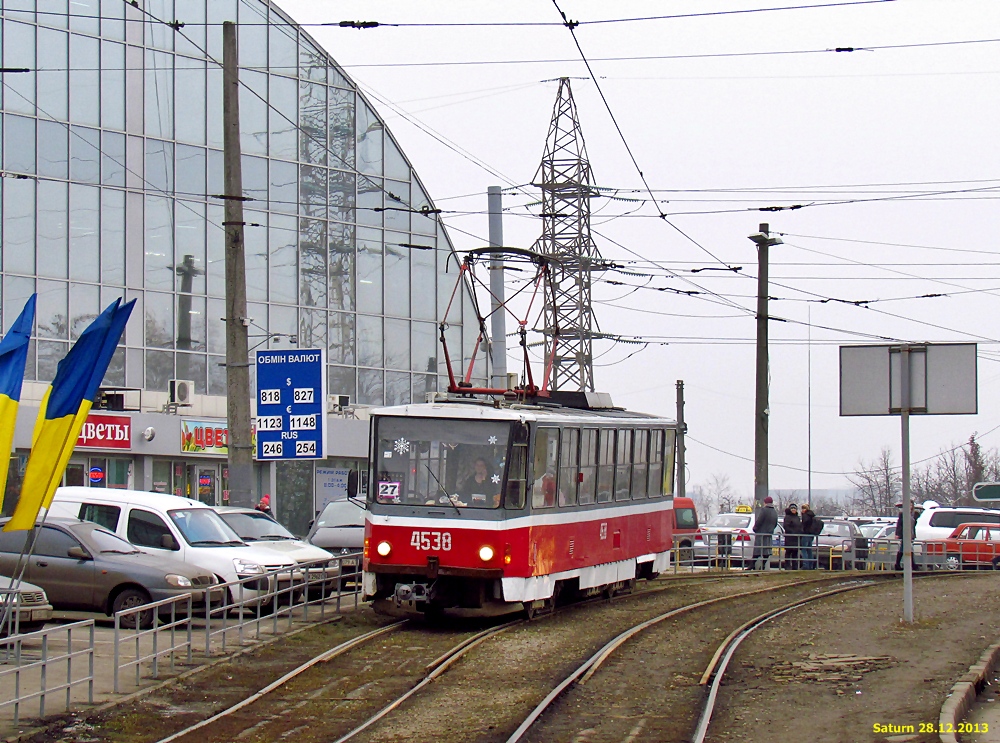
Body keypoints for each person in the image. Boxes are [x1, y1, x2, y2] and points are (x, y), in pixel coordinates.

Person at [752, 496, 778, 570]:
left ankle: (752, 565)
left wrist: (755, 528)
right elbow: (775, 523)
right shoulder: (774, 512)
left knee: (757, 550)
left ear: (765, 503)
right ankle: (763, 565)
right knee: (766, 551)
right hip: (769, 534)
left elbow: (759, 521)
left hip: (761, 533)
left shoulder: (764, 510)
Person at [894, 502, 920, 571]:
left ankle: (898, 564)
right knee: (908, 548)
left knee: (905, 549)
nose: (910, 506)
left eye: (911, 505)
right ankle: (912, 565)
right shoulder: (902, 514)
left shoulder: (914, 514)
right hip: (904, 534)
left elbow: (914, 524)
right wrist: (897, 533)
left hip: (910, 534)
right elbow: (899, 524)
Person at [800, 504, 821, 569]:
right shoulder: (812, 515)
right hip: (811, 534)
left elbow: (804, 525)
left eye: (803, 508)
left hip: (806, 534)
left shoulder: (805, 516)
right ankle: (811, 565)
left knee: (804, 550)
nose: (802, 510)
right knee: (809, 550)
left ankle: (806, 565)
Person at [782, 503, 802, 569]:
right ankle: (787, 566)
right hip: (789, 538)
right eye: (792, 508)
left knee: (795, 553)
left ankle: (795, 567)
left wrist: (799, 532)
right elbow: (786, 526)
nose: (793, 510)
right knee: (788, 552)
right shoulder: (787, 517)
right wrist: (792, 532)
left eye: (795, 509)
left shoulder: (797, 517)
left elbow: (799, 526)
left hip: (796, 538)